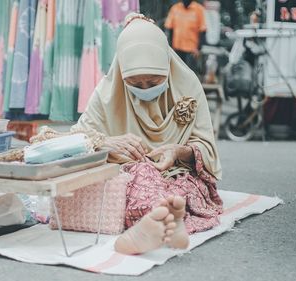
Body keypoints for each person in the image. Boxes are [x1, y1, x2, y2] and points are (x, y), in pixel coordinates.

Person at [71, 13, 223, 255]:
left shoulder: (188, 86)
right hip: (126, 176)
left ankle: (157, 222)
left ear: (167, 66)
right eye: (134, 83)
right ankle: (166, 222)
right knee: (140, 175)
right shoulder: (107, 93)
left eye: (154, 82)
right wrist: (105, 143)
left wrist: (178, 151)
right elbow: (76, 140)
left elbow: (206, 145)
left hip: (177, 174)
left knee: (178, 191)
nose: (145, 90)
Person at [164, 0, 207, 73]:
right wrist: (170, 47)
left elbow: (202, 31)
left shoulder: (199, 9)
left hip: (192, 50)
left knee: (190, 73)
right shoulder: (175, 8)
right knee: (177, 72)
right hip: (177, 48)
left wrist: (198, 48)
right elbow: (170, 29)